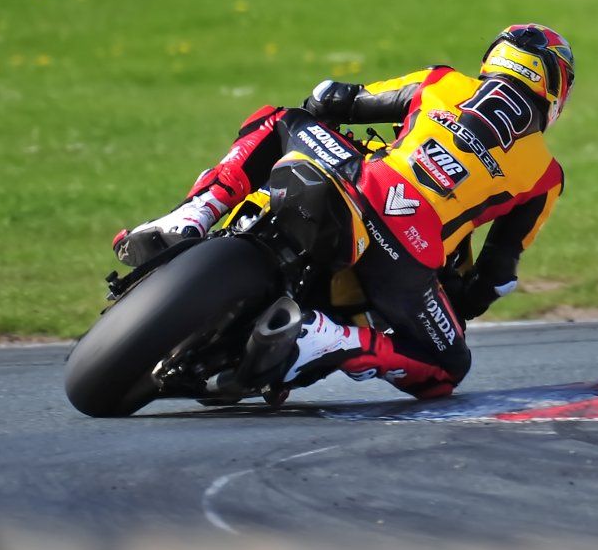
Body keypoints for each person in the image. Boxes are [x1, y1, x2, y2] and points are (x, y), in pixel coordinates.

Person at [112, 24, 573, 402]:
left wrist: (328, 116)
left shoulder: (442, 82)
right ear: (555, 87)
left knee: (278, 119)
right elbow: (497, 274)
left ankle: (192, 215)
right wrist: (466, 301)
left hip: (357, 178)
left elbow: (334, 98)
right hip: (409, 252)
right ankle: (333, 339)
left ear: (493, 59)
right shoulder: (545, 175)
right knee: (447, 368)